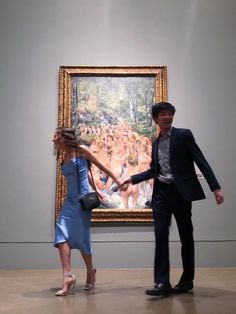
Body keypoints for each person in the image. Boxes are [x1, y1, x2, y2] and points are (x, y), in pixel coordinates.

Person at [122, 102, 224, 296]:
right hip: (161, 193)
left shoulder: (183, 135)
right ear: (156, 119)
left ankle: (187, 280)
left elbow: (200, 160)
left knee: (186, 236)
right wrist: (132, 178)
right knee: (160, 235)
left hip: (181, 192)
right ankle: (162, 283)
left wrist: (215, 188)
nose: (167, 117)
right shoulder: (155, 143)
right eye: (163, 114)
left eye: (170, 113)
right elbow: (154, 171)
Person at [52, 127, 122, 296]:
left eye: (56, 136)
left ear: (64, 137)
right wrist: (96, 188)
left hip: (81, 204)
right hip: (69, 202)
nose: (53, 139)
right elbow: (83, 173)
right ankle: (67, 276)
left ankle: (91, 271)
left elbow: (100, 167)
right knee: (61, 236)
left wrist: (117, 181)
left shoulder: (81, 150)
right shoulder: (63, 155)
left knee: (82, 239)